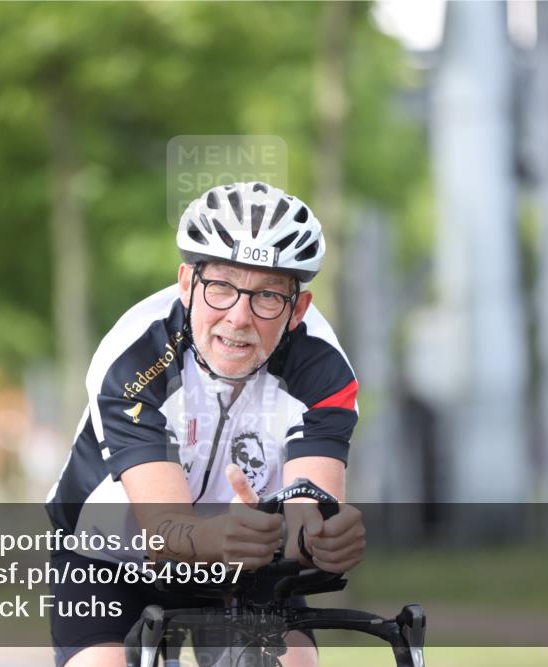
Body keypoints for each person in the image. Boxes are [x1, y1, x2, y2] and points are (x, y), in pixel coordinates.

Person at [46, 182, 366, 667]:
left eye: (267, 297)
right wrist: (221, 535)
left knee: (294, 662)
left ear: (298, 308)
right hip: (109, 558)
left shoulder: (323, 368)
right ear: (186, 283)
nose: (238, 317)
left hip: (248, 562)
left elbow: (309, 512)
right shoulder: (136, 356)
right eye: (221, 287)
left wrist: (323, 539)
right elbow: (166, 530)